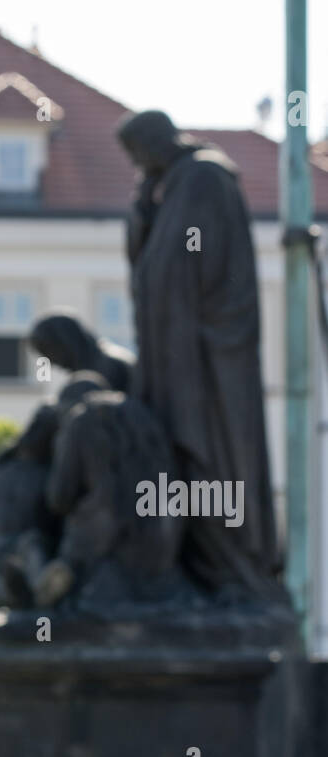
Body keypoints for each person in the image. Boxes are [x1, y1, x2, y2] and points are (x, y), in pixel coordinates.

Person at [115, 110, 286, 600]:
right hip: (177, 354)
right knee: (185, 458)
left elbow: (179, 266)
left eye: (136, 152)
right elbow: (153, 263)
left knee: (212, 456)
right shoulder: (174, 183)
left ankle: (231, 571)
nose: (136, 163)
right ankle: (207, 572)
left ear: (155, 141)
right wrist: (144, 214)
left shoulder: (203, 176)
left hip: (205, 361)